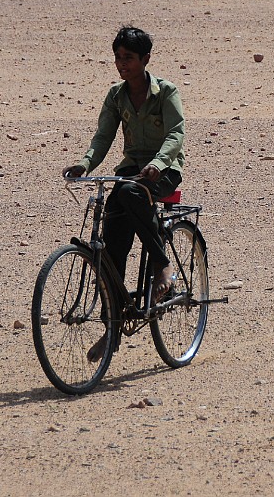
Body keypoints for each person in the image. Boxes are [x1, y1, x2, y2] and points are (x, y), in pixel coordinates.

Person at [63, 26, 185, 357]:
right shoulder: (116, 96)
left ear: (145, 59)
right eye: (118, 57)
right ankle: (112, 328)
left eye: (128, 58)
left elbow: (175, 134)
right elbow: (103, 137)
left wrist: (159, 163)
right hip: (131, 172)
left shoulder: (166, 92)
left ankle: (161, 264)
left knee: (131, 195)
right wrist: (85, 164)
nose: (122, 64)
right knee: (111, 242)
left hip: (164, 172)